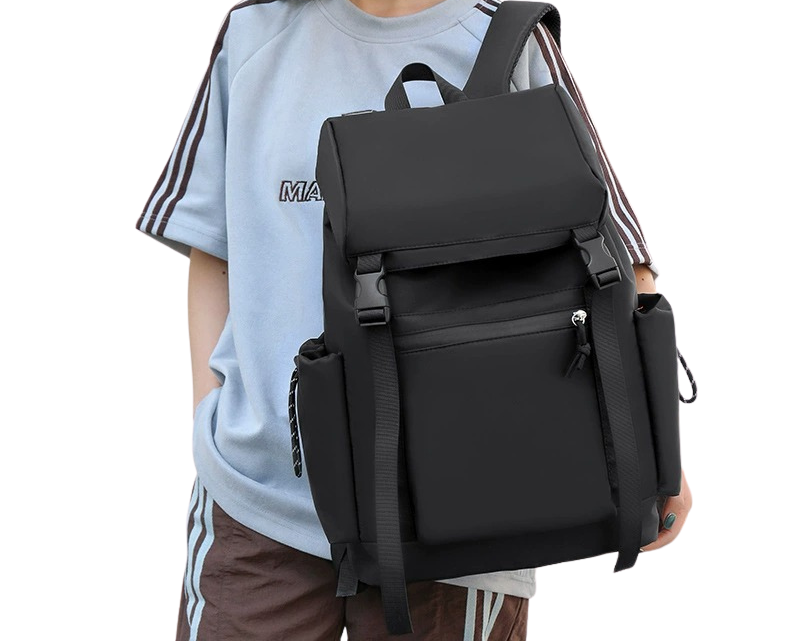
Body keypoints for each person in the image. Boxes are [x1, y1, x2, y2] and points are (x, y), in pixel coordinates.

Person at [135, 0, 692, 638]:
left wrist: (656, 448)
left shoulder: (505, 36)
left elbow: (613, 253)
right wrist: (211, 419)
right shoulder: (254, 34)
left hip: (471, 505)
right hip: (258, 507)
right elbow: (213, 244)